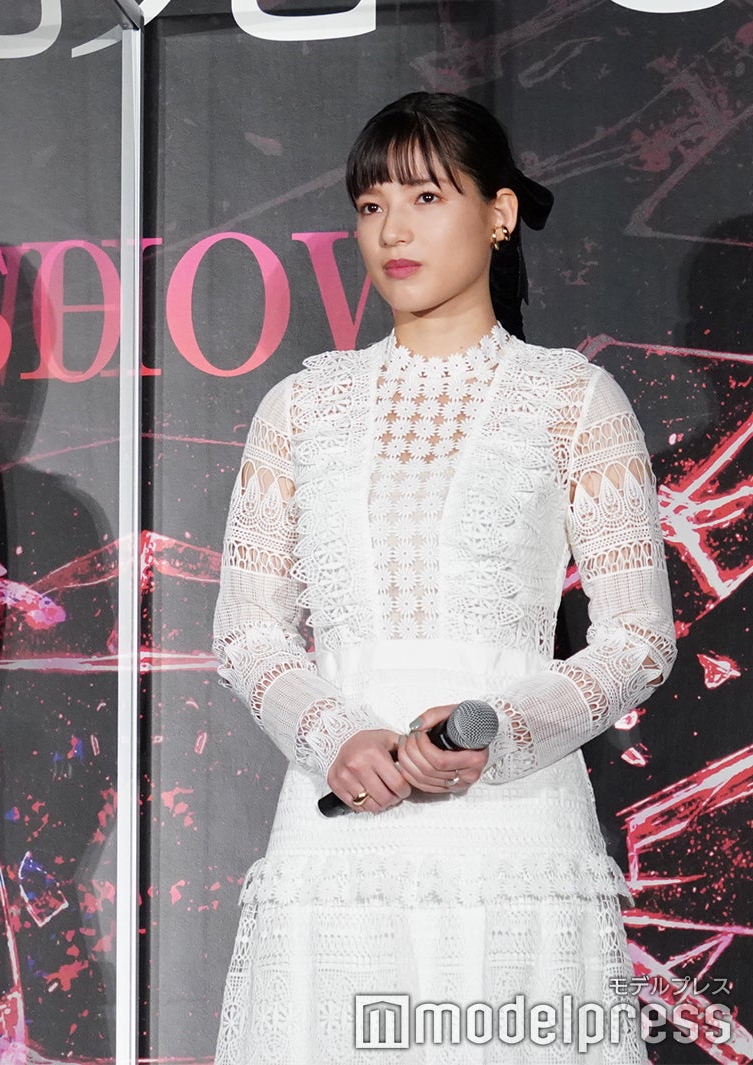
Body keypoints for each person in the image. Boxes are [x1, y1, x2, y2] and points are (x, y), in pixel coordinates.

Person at [210, 91, 675, 1062]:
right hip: (340, 833)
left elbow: (637, 640)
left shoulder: (572, 400)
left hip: (515, 832)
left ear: (499, 214)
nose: (392, 230)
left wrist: (496, 729)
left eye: (425, 197)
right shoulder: (300, 408)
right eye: (370, 204)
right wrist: (333, 735)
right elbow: (246, 631)